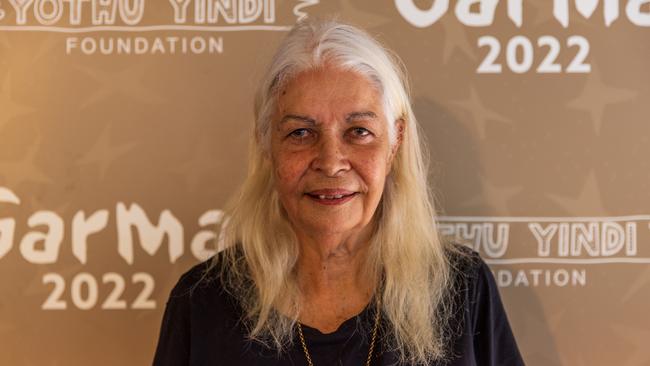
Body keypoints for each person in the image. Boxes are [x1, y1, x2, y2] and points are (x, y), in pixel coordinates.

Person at [153, 18, 525, 366]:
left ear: (394, 141)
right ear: (266, 144)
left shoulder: (462, 288)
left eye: (359, 132)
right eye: (301, 133)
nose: (331, 163)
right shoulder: (201, 301)